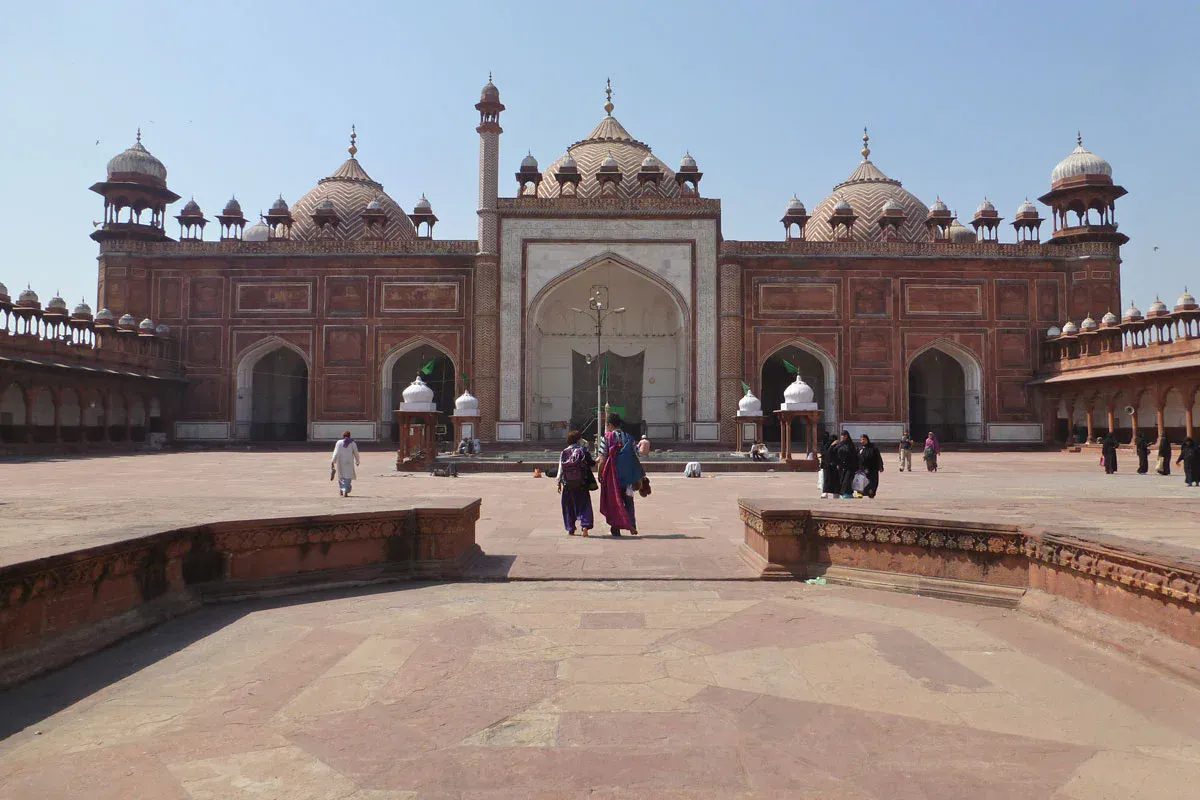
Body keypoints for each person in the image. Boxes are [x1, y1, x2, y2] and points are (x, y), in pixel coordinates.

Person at [597, 413, 644, 536]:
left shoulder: (607, 438)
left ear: (610, 425)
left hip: (613, 476)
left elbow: (602, 458)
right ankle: (631, 525)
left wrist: (600, 473)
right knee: (628, 500)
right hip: (628, 475)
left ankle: (616, 527)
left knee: (614, 501)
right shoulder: (629, 437)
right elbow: (636, 454)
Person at [558, 430, 596, 536]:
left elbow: (561, 469)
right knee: (584, 504)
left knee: (568, 506)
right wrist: (597, 461)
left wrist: (559, 483)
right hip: (581, 483)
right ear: (579, 439)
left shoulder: (564, 452)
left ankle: (570, 528)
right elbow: (591, 463)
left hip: (568, 484)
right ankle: (585, 525)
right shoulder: (583, 451)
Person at [331, 430, 360, 497]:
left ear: (343, 436)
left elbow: (336, 452)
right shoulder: (352, 443)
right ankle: (346, 491)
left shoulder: (339, 442)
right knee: (348, 477)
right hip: (349, 462)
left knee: (341, 476)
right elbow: (356, 453)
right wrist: (357, 461)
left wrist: (333, 461)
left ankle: (341, 490)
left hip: (340, 462)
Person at [834, 430, 860, 499]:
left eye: (844, 435)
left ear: (847, 436)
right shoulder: (840, 444)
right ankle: (845, 493)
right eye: (842, 435)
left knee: (848, 480)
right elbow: (835, 453)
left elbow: (854, 456)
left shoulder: (851, 445)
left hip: (851, 466)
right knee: (842, 480)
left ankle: (847, 493)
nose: (843, 437)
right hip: (842, 466)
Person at [858, 434, 884, 498]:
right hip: (863, 468)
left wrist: (880, 466)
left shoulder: (873, 448)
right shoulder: (860, 448)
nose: (862, 441)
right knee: (862, 481)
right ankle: (861, 493)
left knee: (873, 482)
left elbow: (878, 457)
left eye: (864, 439)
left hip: (873, 468)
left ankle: (871, 493)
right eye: (861, 440)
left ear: (867, 440)